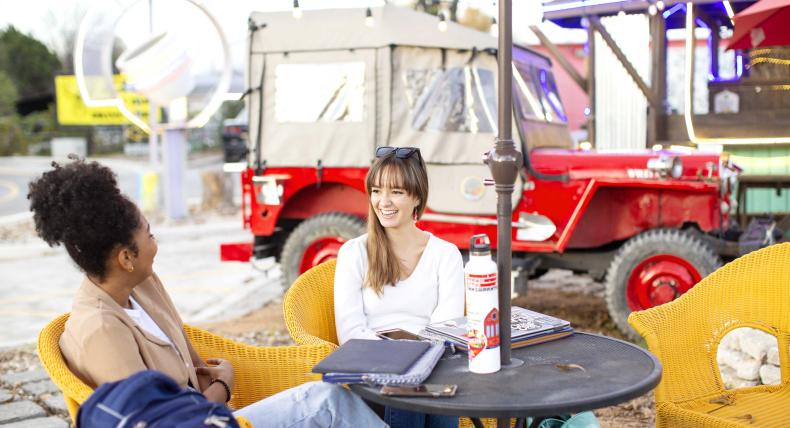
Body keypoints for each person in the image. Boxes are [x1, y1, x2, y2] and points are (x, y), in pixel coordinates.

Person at [28, 157, 385, 428]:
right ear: (125, 258)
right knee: (325, 402)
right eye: (149, 234)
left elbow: (192, 366)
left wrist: (214, 384)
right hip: (209, 421)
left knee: (338, 396)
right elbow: (158, 420)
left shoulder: (143, 285)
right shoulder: (102, 331)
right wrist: (223, 389)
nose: (156, 243)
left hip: (214, 411)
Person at [334, 146, 464, 428]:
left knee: (424, 391)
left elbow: (447, 326)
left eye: (396, 192)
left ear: (416, 196)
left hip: (432, 365)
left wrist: (418, 360)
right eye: (377, 190)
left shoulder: (445, 254)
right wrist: (401, 359)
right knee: (409, 391)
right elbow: (350, 332)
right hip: (373, 371)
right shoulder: (354, 252)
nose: (383, 201)